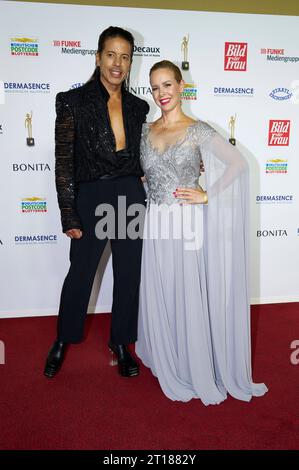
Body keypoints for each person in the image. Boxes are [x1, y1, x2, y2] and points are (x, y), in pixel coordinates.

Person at [135, 60, 268, 405]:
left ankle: (194, 363)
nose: (161, 93)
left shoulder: (198, 129)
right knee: (163, 289)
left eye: (167, 85)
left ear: (181, 86)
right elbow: (148, 174)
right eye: (155, 87)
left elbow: (238, 164)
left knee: (187, 291)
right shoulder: (146, 131)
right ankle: (170, 356)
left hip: (187, 223)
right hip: (156, 223)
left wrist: (208, 194)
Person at [44, 27, 149, 379]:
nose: (117, 63)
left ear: (130, 61)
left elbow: (143, 156)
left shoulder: (138, 107)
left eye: (125, 56)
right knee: (81, 274)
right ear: (98, 56)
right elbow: (63, 163)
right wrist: (69, 212)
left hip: (129, 196)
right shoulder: (72, 102)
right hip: (91, 197)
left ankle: (121, 343)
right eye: (111, 54)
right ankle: (63, 338)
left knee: (128, 273)